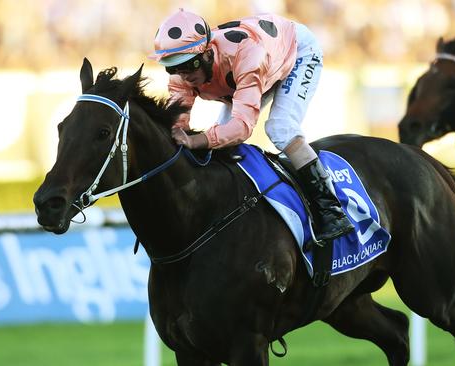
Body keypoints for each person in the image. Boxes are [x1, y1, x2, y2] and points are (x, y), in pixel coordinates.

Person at [149, 9, 353, 242]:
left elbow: (242, 127)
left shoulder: (246, 53)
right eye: (173, 67)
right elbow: (178, 126)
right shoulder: (181, 75)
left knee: (280, 128)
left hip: (296, 53)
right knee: (219, 144)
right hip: (255, 65)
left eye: (188, 65)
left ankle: (332, 211)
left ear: (206, 54)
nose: (182, 75)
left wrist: (197, 140)